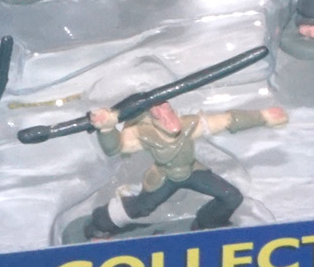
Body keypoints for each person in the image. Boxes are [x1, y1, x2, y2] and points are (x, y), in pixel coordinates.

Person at [85, 100, 286, 236]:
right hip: (164, 177)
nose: (168, 119)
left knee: (231, 196)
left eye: (168, 111)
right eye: (159, 115)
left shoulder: (189, 125)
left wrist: (263, 116)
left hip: (191, 171)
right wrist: (107, 128)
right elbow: (115, 147)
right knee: (143, 207)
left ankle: (209, 223)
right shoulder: (142, 134)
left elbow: (226, 120)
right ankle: (101, 222)